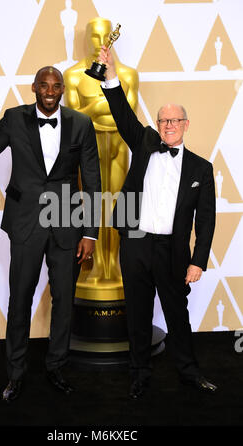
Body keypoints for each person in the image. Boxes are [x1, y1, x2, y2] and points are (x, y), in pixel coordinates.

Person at [0, 66, 101, 402]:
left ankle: (56, 368)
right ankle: (16, 374)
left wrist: (91, 233)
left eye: (56, 86)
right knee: (20, 299)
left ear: (63, 89)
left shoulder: (81, 124)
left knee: (64, 301)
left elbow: (93, 180)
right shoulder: (14, 119)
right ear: (34, 88)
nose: (50, 91)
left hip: (68, 224)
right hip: (26, 223)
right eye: (44, 85)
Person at [99, 47, 217, 399]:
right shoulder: (145, 141)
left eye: (174, 121)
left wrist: (198, 260)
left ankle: (189, 373)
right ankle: (139, 375)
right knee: (136, 313)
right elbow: (122, 114)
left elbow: (206, 220)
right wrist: (110, 76)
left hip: (172, 250)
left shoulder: (201, 168)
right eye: (163, 120)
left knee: (177, 315)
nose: (168, 126)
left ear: (185, 124)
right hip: (135, 243)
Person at [64, 17, 138, 286]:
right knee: (90, 207)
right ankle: (92, 267)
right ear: (86, 39)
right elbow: (74, 121)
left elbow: (127, 119)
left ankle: (114, 265)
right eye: (94, 36)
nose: (99, 42)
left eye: (104, 36)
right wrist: (99, 108)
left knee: (117, 207)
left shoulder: (128, 75)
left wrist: (92, 110)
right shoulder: (72, 76)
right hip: (86, 153)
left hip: (118, 148)